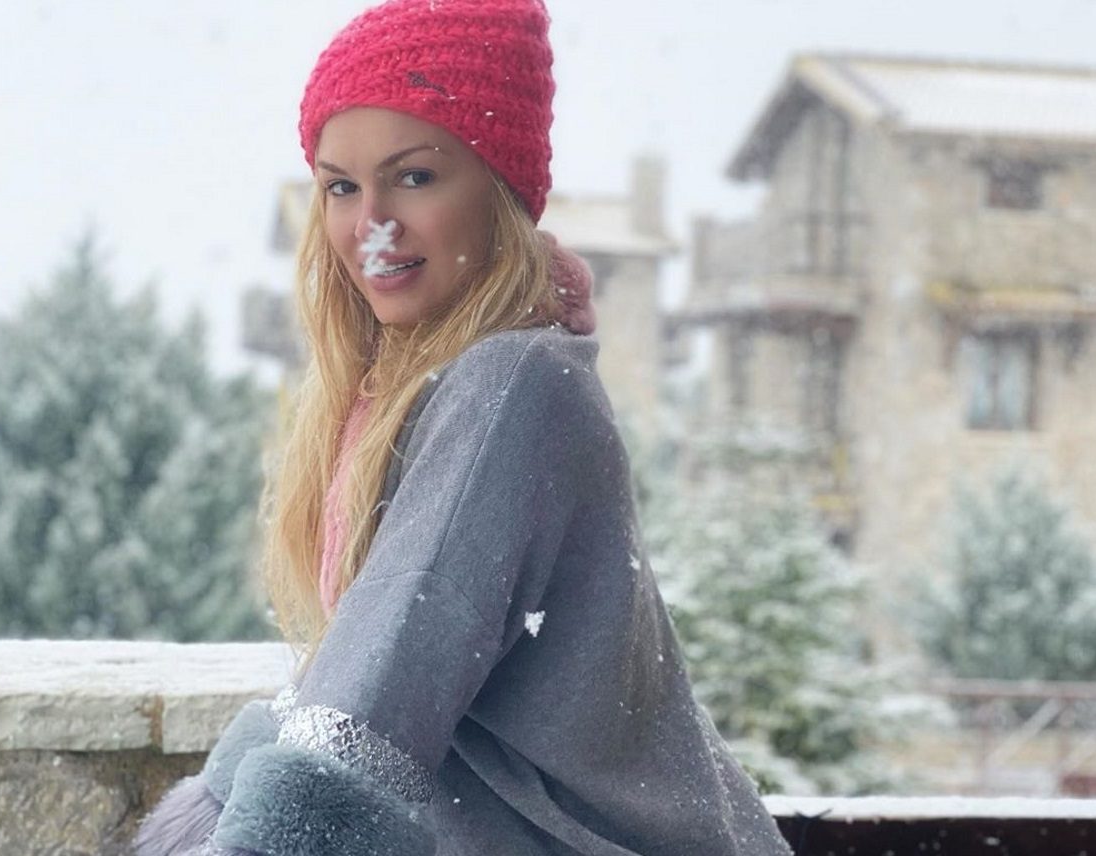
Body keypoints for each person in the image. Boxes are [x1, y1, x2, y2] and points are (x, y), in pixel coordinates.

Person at [136, 1, 793, 854]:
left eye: (414, 177)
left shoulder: (515, 383)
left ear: (498, 189)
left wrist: (242, 834)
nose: (372, 225)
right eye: (341, 186)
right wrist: (216, 803)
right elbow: (356, 667)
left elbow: (386, 673)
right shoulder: (416, 386)